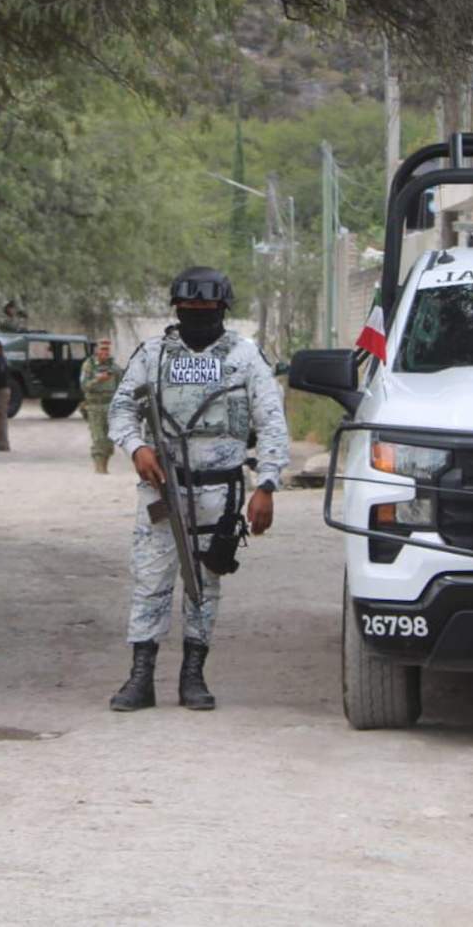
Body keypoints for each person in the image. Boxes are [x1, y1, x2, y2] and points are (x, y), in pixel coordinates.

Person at [105, 267, 289, 712]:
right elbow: (121, 409)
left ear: (222, 309)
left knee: (205, 583)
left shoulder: (245, 356)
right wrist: (136, 448)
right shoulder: (154, 354)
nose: (198, 315)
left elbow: (271, 421)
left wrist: (266, 484)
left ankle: (193, 675)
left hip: (219, 493)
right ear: (177, 310)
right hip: (163, 489)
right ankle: (141, 676)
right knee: (150, 580)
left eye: (207, 308)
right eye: (189, 308)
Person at [80, 338, 120, 473]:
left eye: (107, 349)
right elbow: (84, 386)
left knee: (109, 440)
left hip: (110, 406)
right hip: (95, 407)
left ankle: (104, 467)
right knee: (98, 439)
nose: (105, 352)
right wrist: (97, 380)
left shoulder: (114, 368)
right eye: (102, 349)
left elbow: (121, 387)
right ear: (96, 350)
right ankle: (99, 469)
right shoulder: (89, 366)